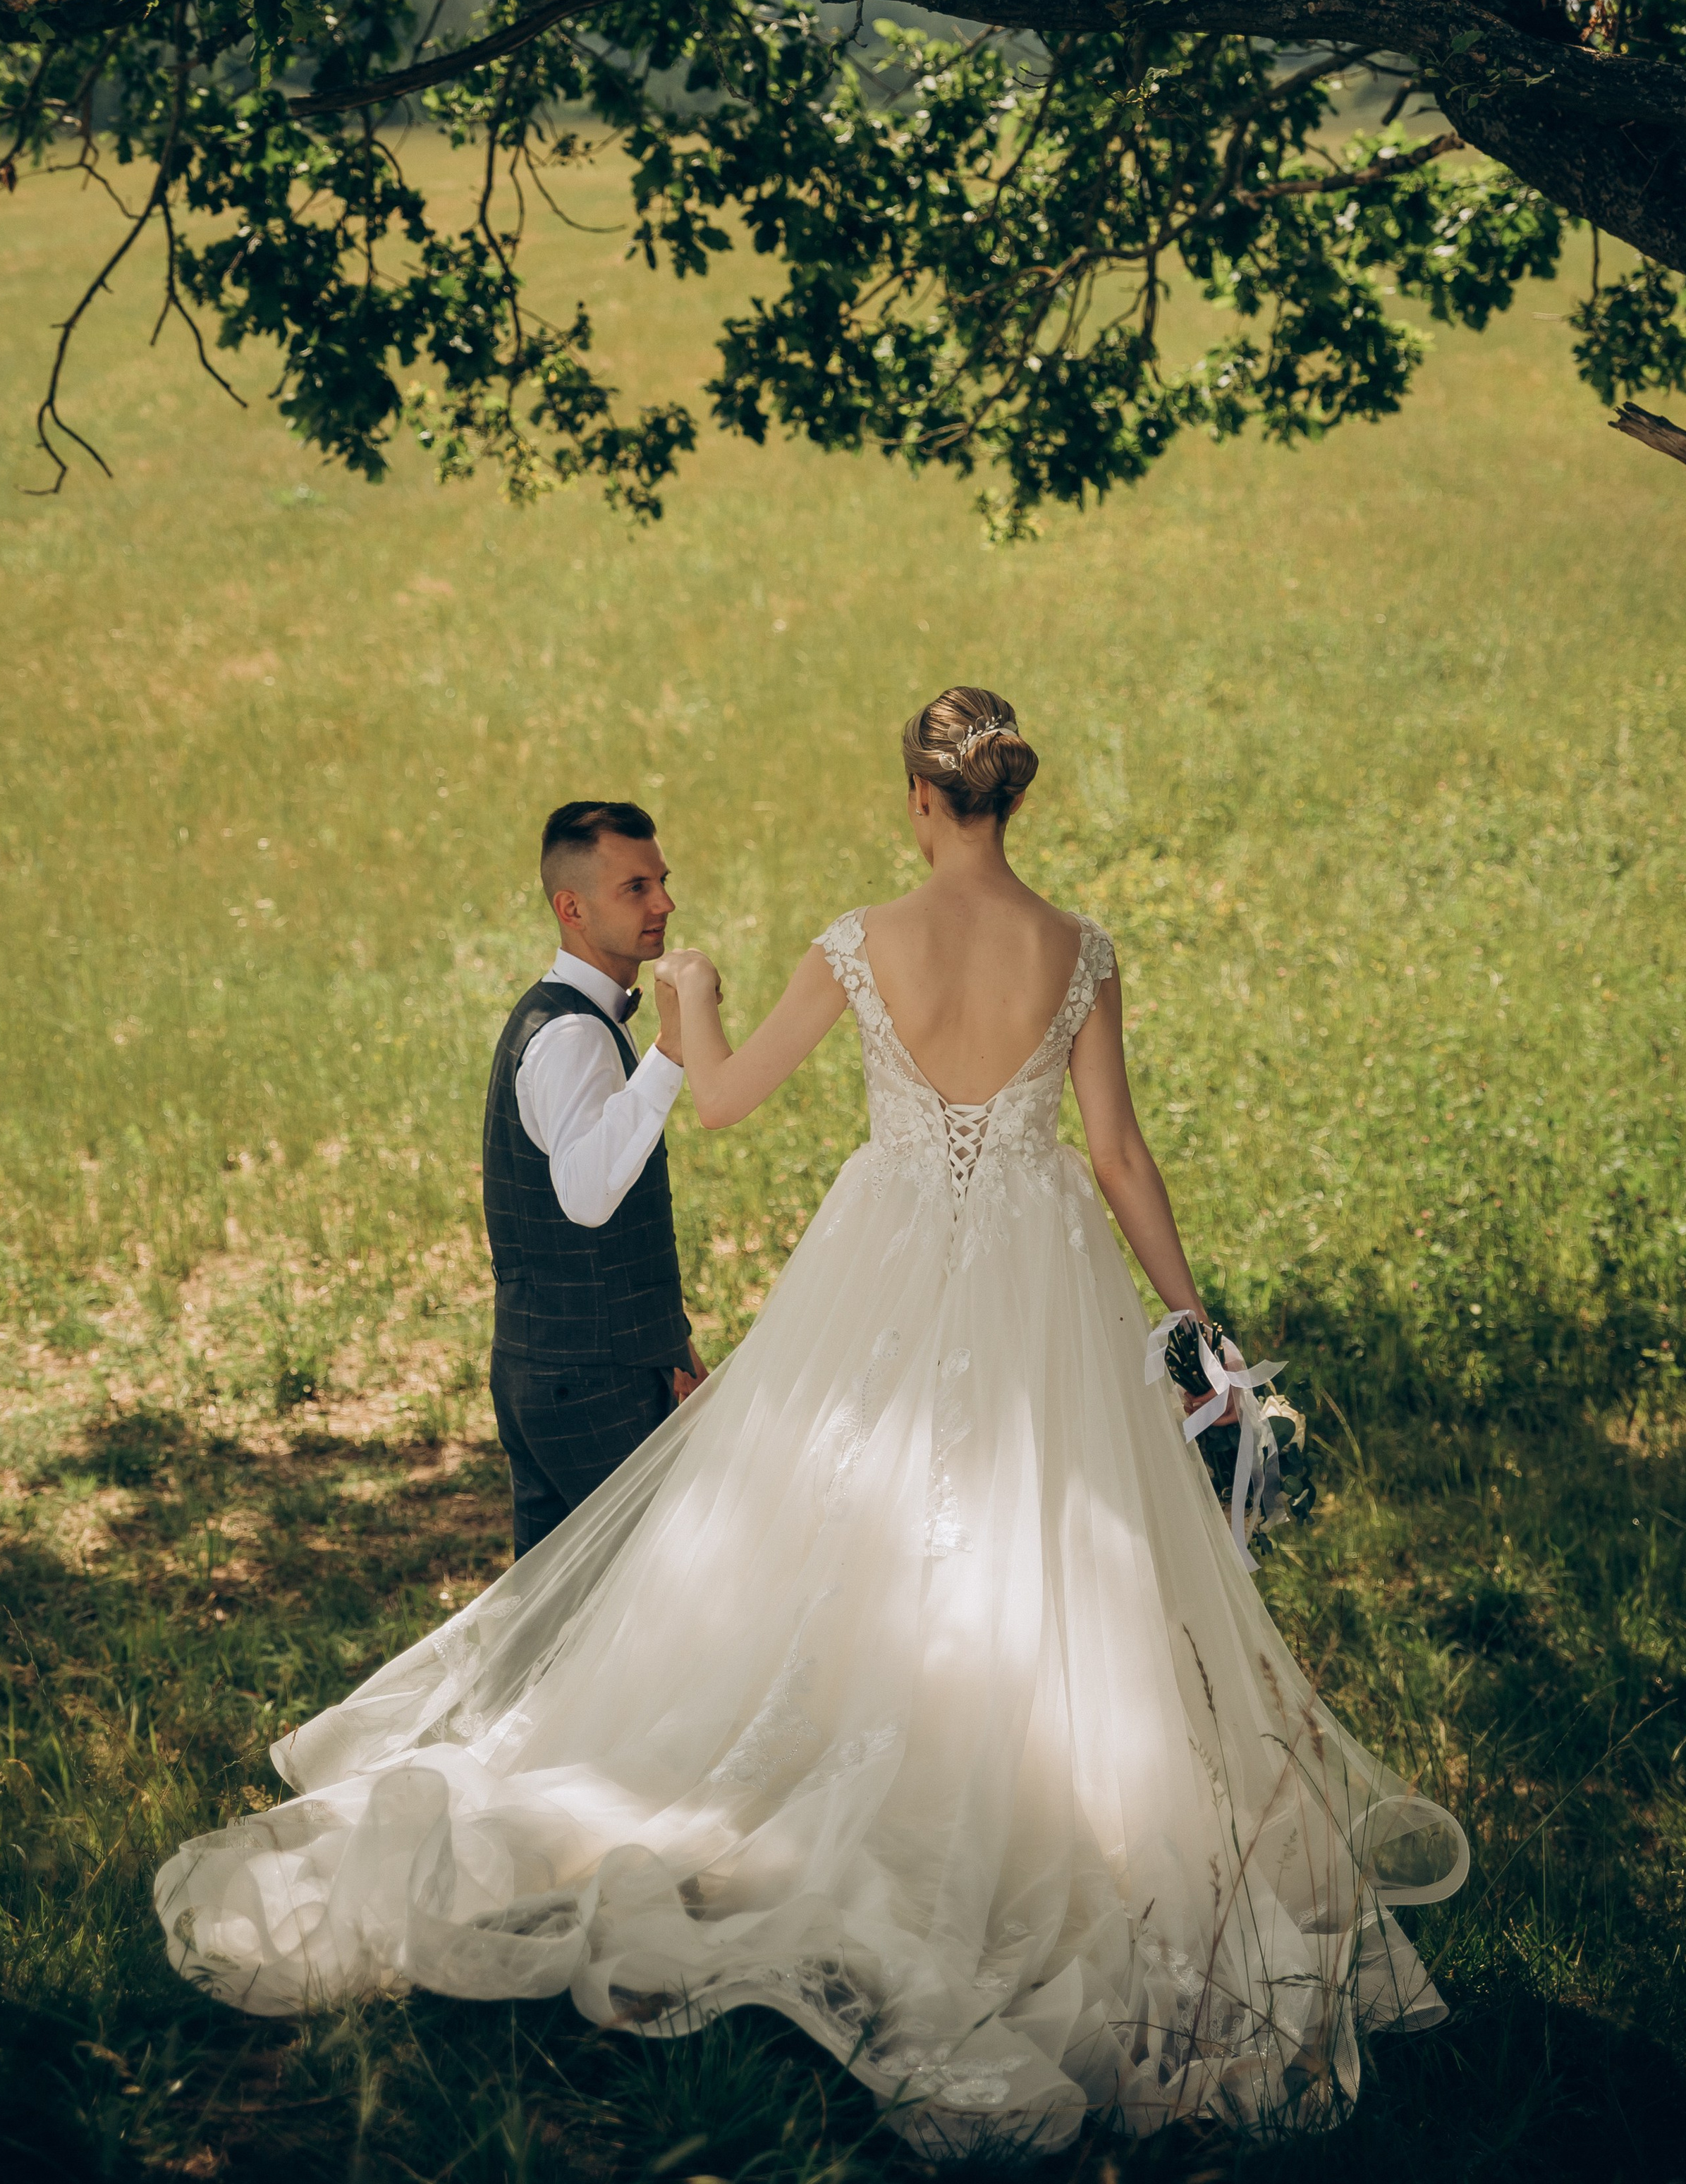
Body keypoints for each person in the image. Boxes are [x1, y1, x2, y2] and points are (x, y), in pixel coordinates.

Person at [157, 693, 1467, 2156]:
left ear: (917, 799)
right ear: (1004, 801)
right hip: (1041, 1272)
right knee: (1048, 1538)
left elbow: (712, 1102)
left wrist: (693, 1002)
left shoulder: (858, 943)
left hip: (890, 1259)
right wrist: (1191, 1322)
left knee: (841, 1531)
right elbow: (1110, 1149)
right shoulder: (1079, 950)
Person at [482, 800, 708, 1556]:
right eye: (636, 887)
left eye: (662, 881)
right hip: (588, 1384)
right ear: (571, 907)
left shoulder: (564, 1018)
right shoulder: (573, 1033)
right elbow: (586, 1197)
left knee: (553, 1625)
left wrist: (668, 1341)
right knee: (650, 1609)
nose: (664, 903)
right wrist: (672, 1051)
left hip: (552, 1366)